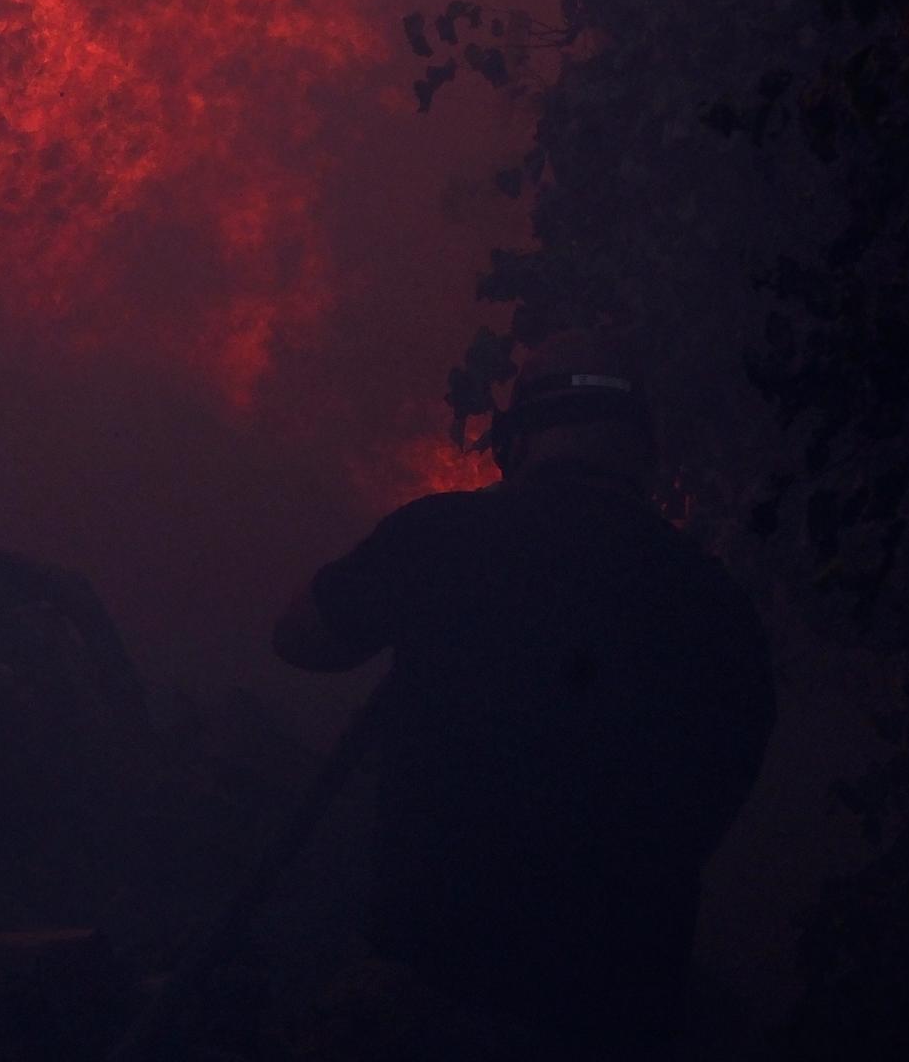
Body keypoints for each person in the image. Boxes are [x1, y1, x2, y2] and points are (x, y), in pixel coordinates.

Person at [270, 361, 774, 1057]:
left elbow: (302, 639)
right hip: (616, 1004)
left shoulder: (444, 535)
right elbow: (725, 785)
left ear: (519, 445)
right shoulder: (715, 604)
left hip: (431, 979)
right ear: (643, 456)